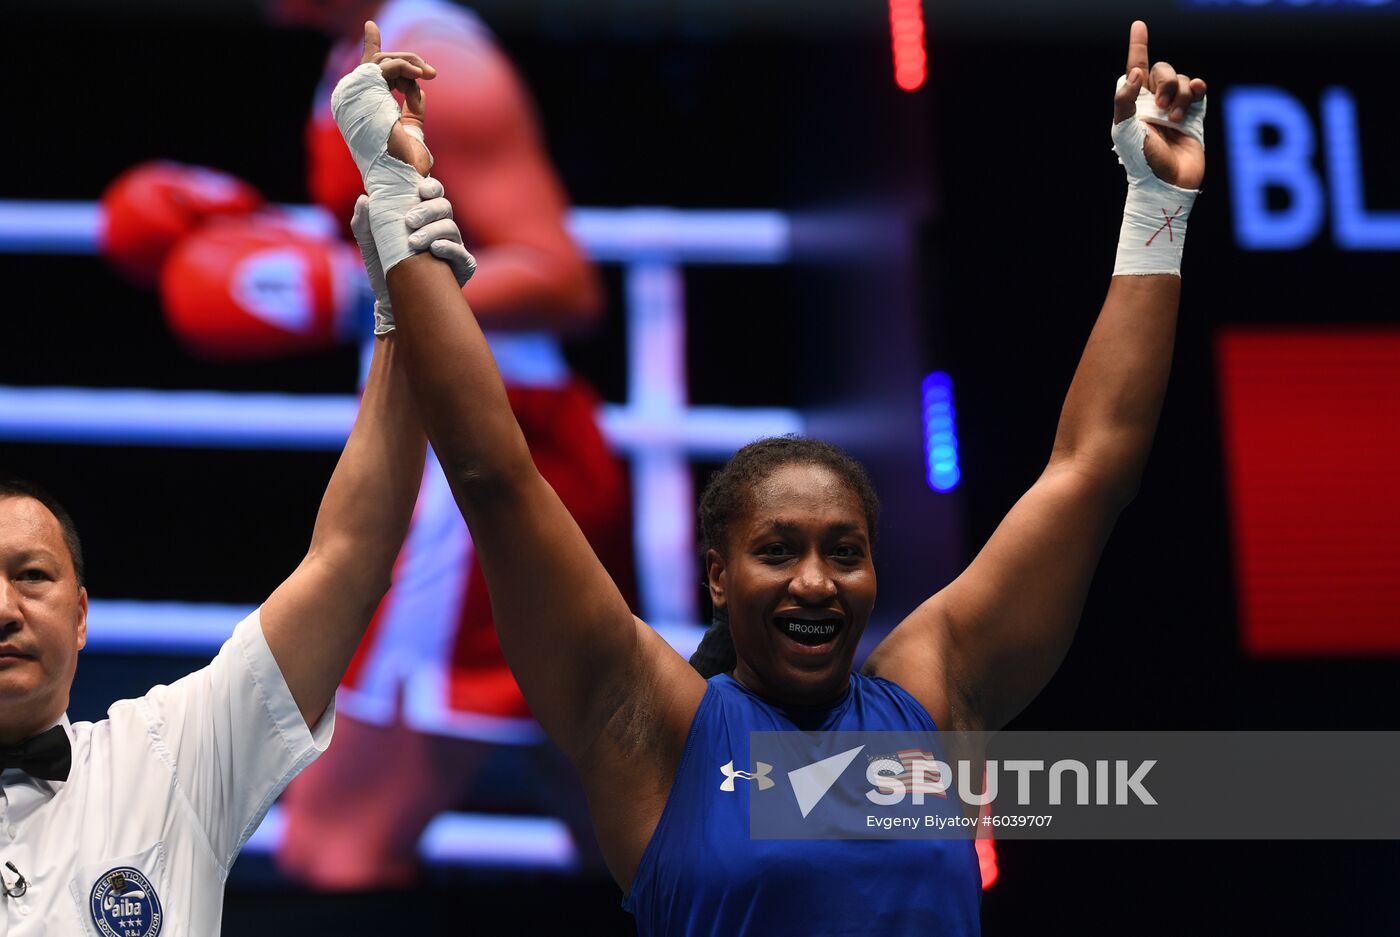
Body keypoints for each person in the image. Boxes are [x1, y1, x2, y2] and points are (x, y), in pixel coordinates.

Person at [342, 17, 1205, 933]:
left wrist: (1158, 210)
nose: (815, 580)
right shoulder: (656, 729)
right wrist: (399, 213)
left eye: (845, 550)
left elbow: (1091, 468)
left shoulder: (930, 695)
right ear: (718, 574)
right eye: (778, 549)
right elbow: (494, 477)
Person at [98, 0, 632, 888]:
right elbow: (413, 228)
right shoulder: (361, 51)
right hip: (492, 450)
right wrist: (250, 232)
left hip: (484, 461)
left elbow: (559, 276)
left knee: (334, 847)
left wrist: (344, 291)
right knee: (627, 824)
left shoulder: (437, 66)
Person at [0, 55, 474, 929]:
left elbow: (349, 561)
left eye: (32, 576)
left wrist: (402, 290)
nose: (4, 609)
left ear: (82, 614)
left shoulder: (164, 759)